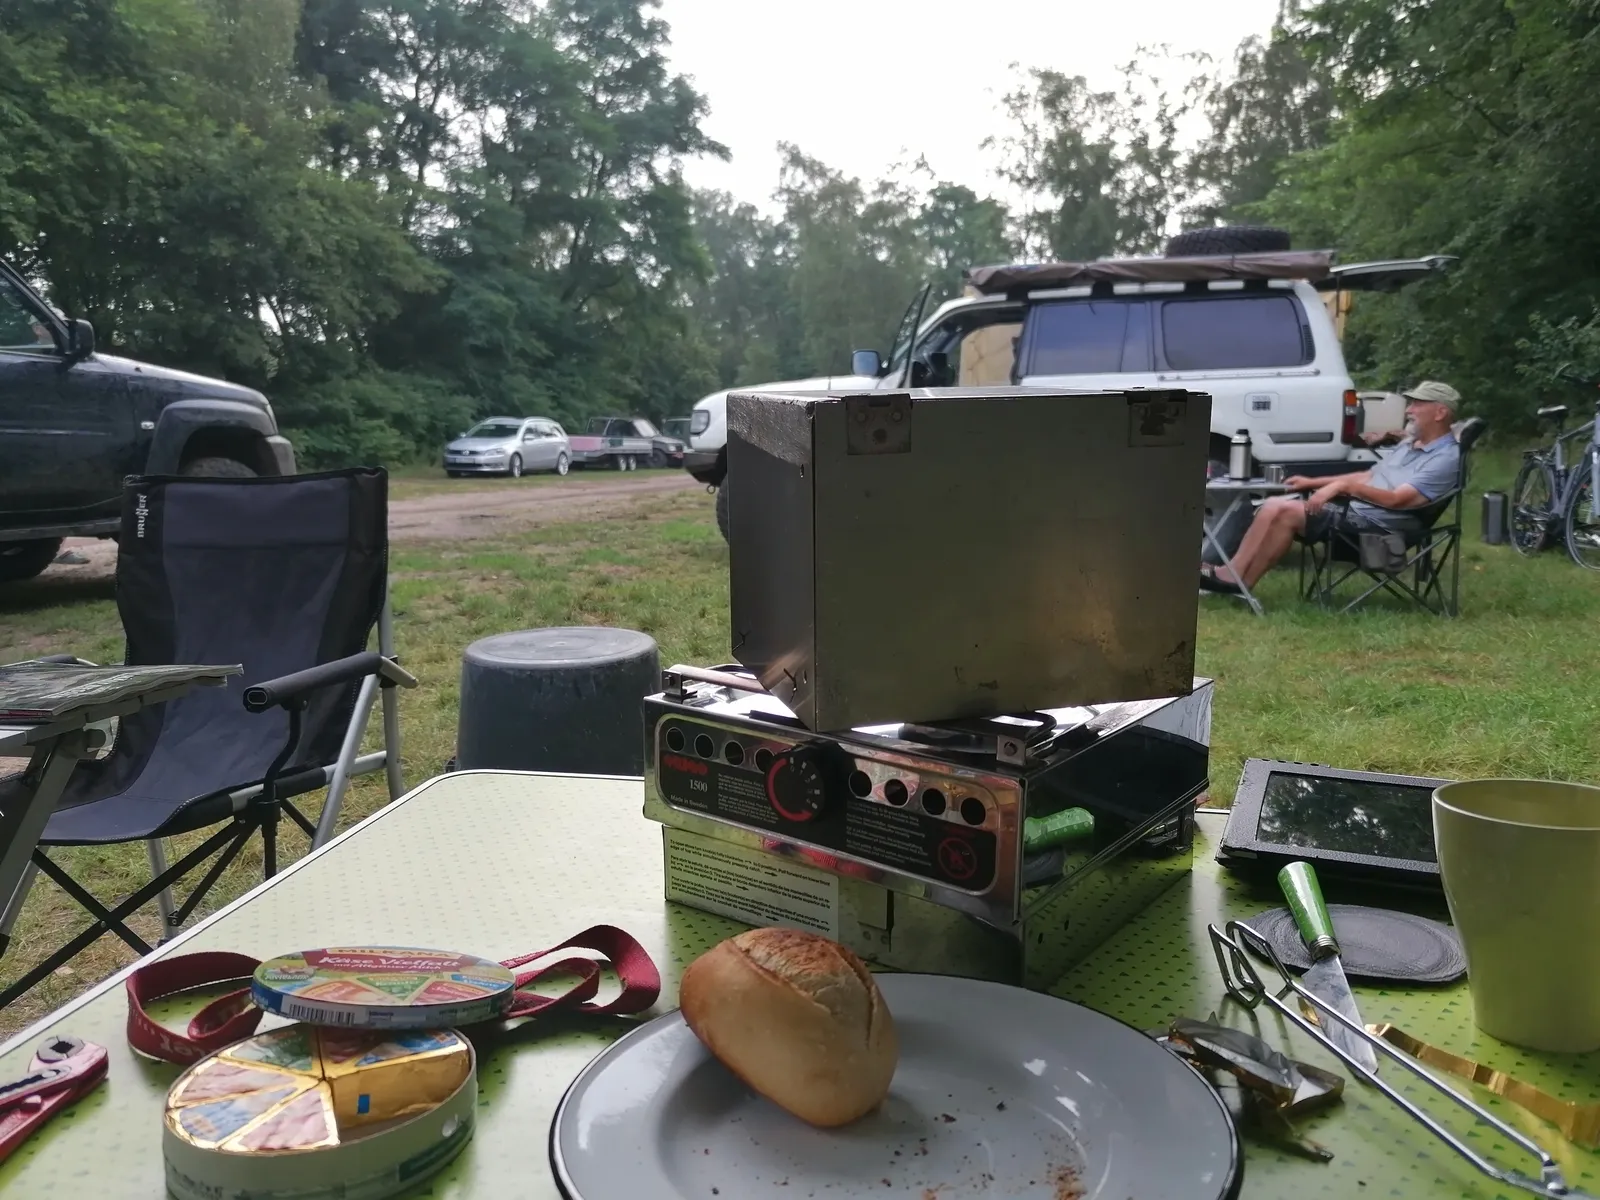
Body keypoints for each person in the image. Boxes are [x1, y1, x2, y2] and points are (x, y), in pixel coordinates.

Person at [1200, 381, 1464, 595]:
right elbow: (1367, 476)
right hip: (1358, 514)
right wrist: (1312, 482)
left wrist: (1341, 487)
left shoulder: (1445, 459)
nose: (1409, 410)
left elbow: (1398, 500)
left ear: (1440, 413)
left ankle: (1233, 577)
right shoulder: (1410, 445)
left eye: (1418, 404)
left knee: (1284, 510)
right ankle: (1237, 577)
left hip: (1381, 531)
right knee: (1274, 506)